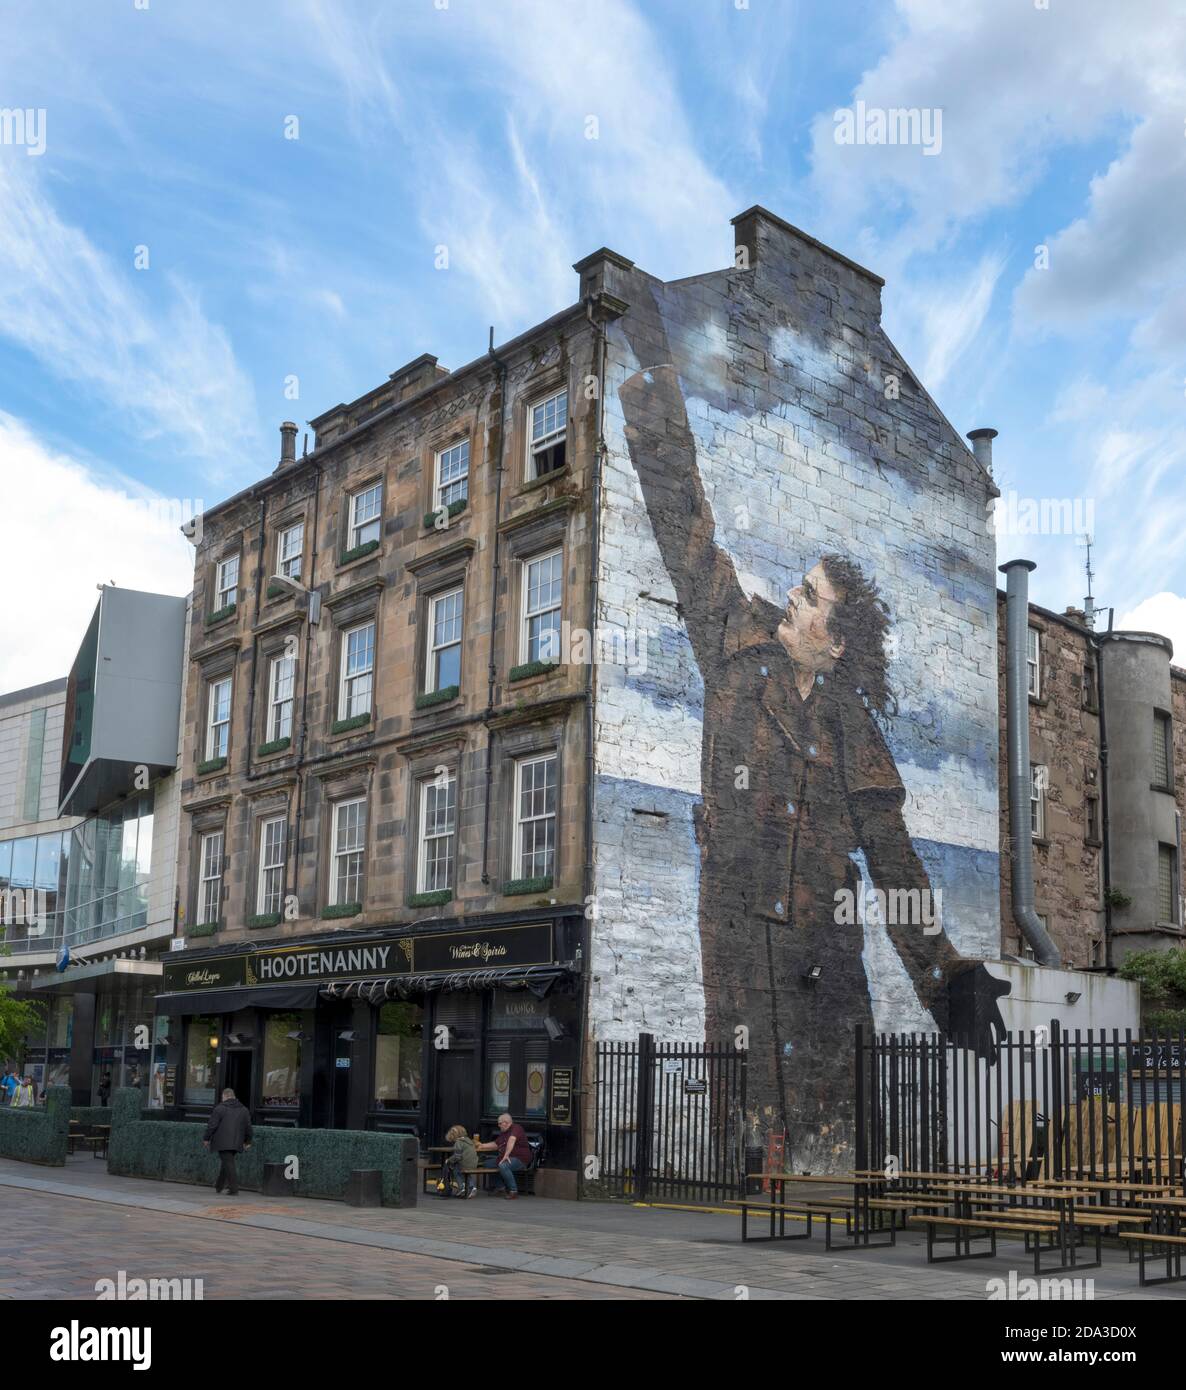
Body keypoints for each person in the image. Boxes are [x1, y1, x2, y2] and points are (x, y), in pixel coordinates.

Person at [617, 289, 1010, 1169]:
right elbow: (683, 513)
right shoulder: (730, 640)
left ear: (834, 644)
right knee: (746, 1117)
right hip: (737, 943)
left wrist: (945, 977)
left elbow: (898, 865)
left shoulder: (853, 730)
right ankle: (744, 1203)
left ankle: (846, 1203)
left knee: (841, 1117)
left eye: (805, 599)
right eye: (795, 588)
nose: (784, 599)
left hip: (831, 961)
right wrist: (654, 371)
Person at [202, 1087, 253, 1195]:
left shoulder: (219, 1108)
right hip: (237, 1141)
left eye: (222, 1097)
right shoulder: (244, 1109)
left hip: (222, 1141)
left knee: (228, 1163)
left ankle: (234, 1189)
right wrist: (248, 1141)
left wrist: (206, 1138)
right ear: (233, 1096)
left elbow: (212, 1126)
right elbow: (248, 1127)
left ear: (224, 1096)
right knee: (227, 1162)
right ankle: (219, 1186)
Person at [476, 1113, 531, 1199]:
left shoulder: (516, 1128)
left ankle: (513, 1191)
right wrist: (482, 1145)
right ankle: (500, 1187)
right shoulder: (504, 1133)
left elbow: (512, 1140)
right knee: (487, 1164)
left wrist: (506, 1155)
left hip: (520, 1159)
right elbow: (496, 1144)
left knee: (503, 1165)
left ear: (506, 1122)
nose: (498, 1125)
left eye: (499, 1123)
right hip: (506, 1157)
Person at [442, 1124, 479, 1198]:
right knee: (466, 1172)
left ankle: (462, 1187)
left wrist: (449, 1160)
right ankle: (472, 1187)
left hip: (464, 1163)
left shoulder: (458, 1143)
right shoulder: (469, 1141)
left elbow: (457, 1157)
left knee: (456, 1170)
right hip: (474, 1163)